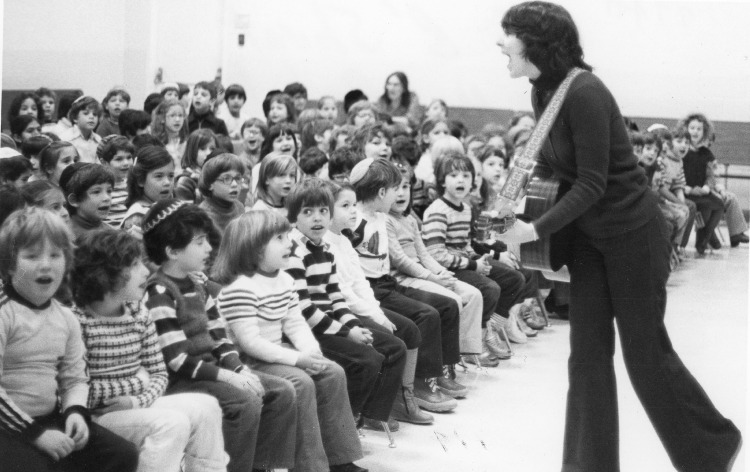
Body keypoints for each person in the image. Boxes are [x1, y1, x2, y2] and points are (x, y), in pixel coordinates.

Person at [496, 3, 742, 471]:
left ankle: (712, 447)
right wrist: (516, 198)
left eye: (508, 34)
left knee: (644, 355)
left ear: (537, 43)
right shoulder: (542, 90)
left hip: (632, 233)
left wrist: (534, 229)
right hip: (591, 240)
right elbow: (557, 165)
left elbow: (591, 181)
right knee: (585, 357)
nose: (501, 44)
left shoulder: (585, 91)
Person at [142, 200, 297, 472]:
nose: (209, 248)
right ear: (172, 250)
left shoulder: (198, 286)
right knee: (244, 401)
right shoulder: (159, 292)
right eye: (200, 242)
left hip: (210, 371)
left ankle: (262, 465)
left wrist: (239, 369)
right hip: (181, 380)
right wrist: (228, 376)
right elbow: (177, 360)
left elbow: (219, 337)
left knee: (280, 391)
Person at [214, 210, 368, 472]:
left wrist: (312, 354)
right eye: (280, 238)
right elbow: (250, 343)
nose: (291, 243)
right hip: (245, 361)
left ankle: (339, 458)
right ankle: (309, 466)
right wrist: (298, 359)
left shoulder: (284, 280)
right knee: (301, 382)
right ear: (254, 248)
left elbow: (295, 323)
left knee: (332, 372)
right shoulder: (240, 288)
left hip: (276, 354)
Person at [71, 229, 228, 472]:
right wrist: (138, 380)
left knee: (207, 407)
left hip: (132, 405)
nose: (146, 271)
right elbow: (83, 390)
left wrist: (135, 398)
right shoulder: (78, 320)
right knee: (171, 423)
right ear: (104, 273)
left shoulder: (138, 313)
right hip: (98, 416)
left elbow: (158, 374)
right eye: (134, 265)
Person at [0, 207, 139, 472]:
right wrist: (35, 434)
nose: (46, 264)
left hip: (48, 419)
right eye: (32, 256)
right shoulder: (4, 311)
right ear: (8, 265)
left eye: (55, 254)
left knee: (121, 454)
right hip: (7, 427)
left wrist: (75, 411)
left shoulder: (66, 318)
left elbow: (75, 378)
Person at [122, 145, 175, 232]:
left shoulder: (171, 206)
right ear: (141, 180)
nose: (167, 182)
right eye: (159, 176)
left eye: (171, 176)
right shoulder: (138, 216)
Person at [59, 163, 115, 239]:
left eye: (109, 191)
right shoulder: (65, 236)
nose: (106, 198)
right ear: (74, 200)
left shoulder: (112, 233)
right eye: (96, 192)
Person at [197, 153, 246, 235]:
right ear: (210, 184)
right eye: (226, 179)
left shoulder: (239, 207)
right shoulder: (203, 216)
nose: (234, 184)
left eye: (238, 178)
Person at [97, 135, 134, 227]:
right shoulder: (100, 189)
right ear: (104, 162)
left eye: (129, 157)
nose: (126, 163)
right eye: (119, 159)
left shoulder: (134, 184)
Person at [174, 129, 217, 204]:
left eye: (212, 149)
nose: (208, 153)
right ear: (192, 151)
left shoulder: (218, 176)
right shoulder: (184, 181)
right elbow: (186, 213)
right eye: (202, 149)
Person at [252, 153, 298, 217]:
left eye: (292, 175)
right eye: (281, 175)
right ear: (266, 179)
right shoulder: (260, 210)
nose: (288, 181)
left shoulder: (291, 206)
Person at [152, 99, 189, 172]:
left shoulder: (187, 142)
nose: (177, 119)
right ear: (162, 118)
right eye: (172, 115)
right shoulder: (155, 144)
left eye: (180, 115)